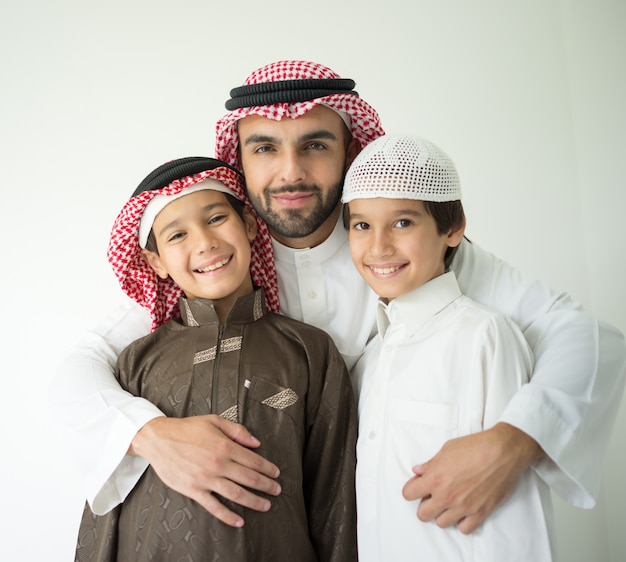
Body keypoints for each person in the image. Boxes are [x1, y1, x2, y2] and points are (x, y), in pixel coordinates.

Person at [51, 60, 626, 534]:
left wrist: (515, 441)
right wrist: (150, 436)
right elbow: (82, 363)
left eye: (315, 145)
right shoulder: (222, 265)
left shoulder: (406, 249)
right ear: (239, 162)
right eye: (265, 149)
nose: (290, 173)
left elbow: (586, 337)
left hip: (410, 525)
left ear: (350, 153)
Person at [74, 156, 358, 561]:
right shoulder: (135, 362)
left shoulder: (310, 351)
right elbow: (104, 507)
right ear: (156, 263)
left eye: (215, 219)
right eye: (176, 236)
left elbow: (336, 500)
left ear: (249, 224)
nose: (204, 242)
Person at [344, 133, 555, 561]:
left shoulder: (484, 337)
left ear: (453, 229)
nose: (379, 246)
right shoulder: (371, 358)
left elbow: (515, 525)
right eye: (362, 225)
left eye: (403, 222)